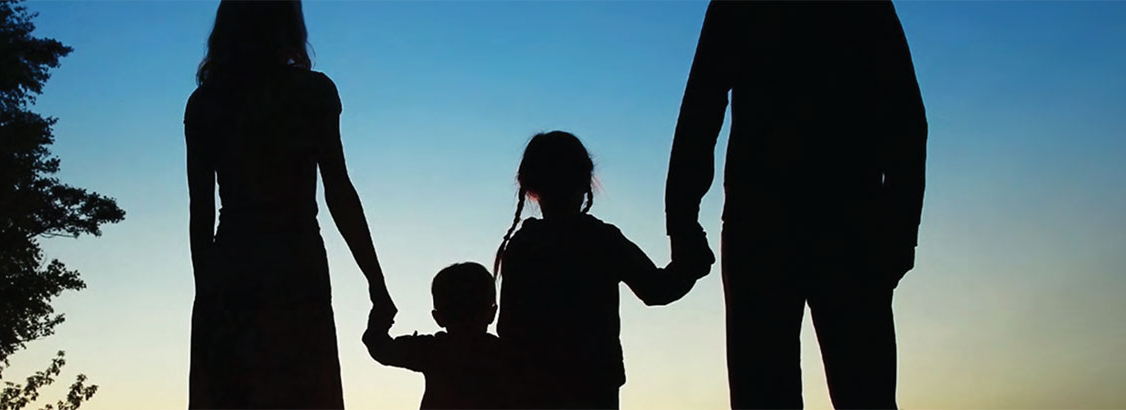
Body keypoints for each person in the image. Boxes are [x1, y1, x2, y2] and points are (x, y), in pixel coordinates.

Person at [665, 1, 928, 409]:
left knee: (779, 392)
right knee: (858, 391)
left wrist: (682, 220)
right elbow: (907, 119)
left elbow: (702, 109)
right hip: (838, 224)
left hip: (777, 226)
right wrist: (900, 229)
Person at [184, 1, 394, 408]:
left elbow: (201, 212)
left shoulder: (207, 101)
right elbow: (339, 191)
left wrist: (206, 291)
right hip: (296, 262)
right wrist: (376, 282)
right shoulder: (312, 92)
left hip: (233, 264)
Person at [495, 131, 714, 409]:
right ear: (585, 180)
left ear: (530, 187)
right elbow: (657, 290)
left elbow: (508, 327)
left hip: (532, 388)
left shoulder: (522, 245)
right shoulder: (600, 239)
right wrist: (690, 266)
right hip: (593, 383)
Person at [364, 262, 507, 409]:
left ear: (438, 317)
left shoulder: (431, 351)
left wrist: (380, 314)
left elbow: (380, 347)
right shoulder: (505, 355)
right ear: (492, 313)